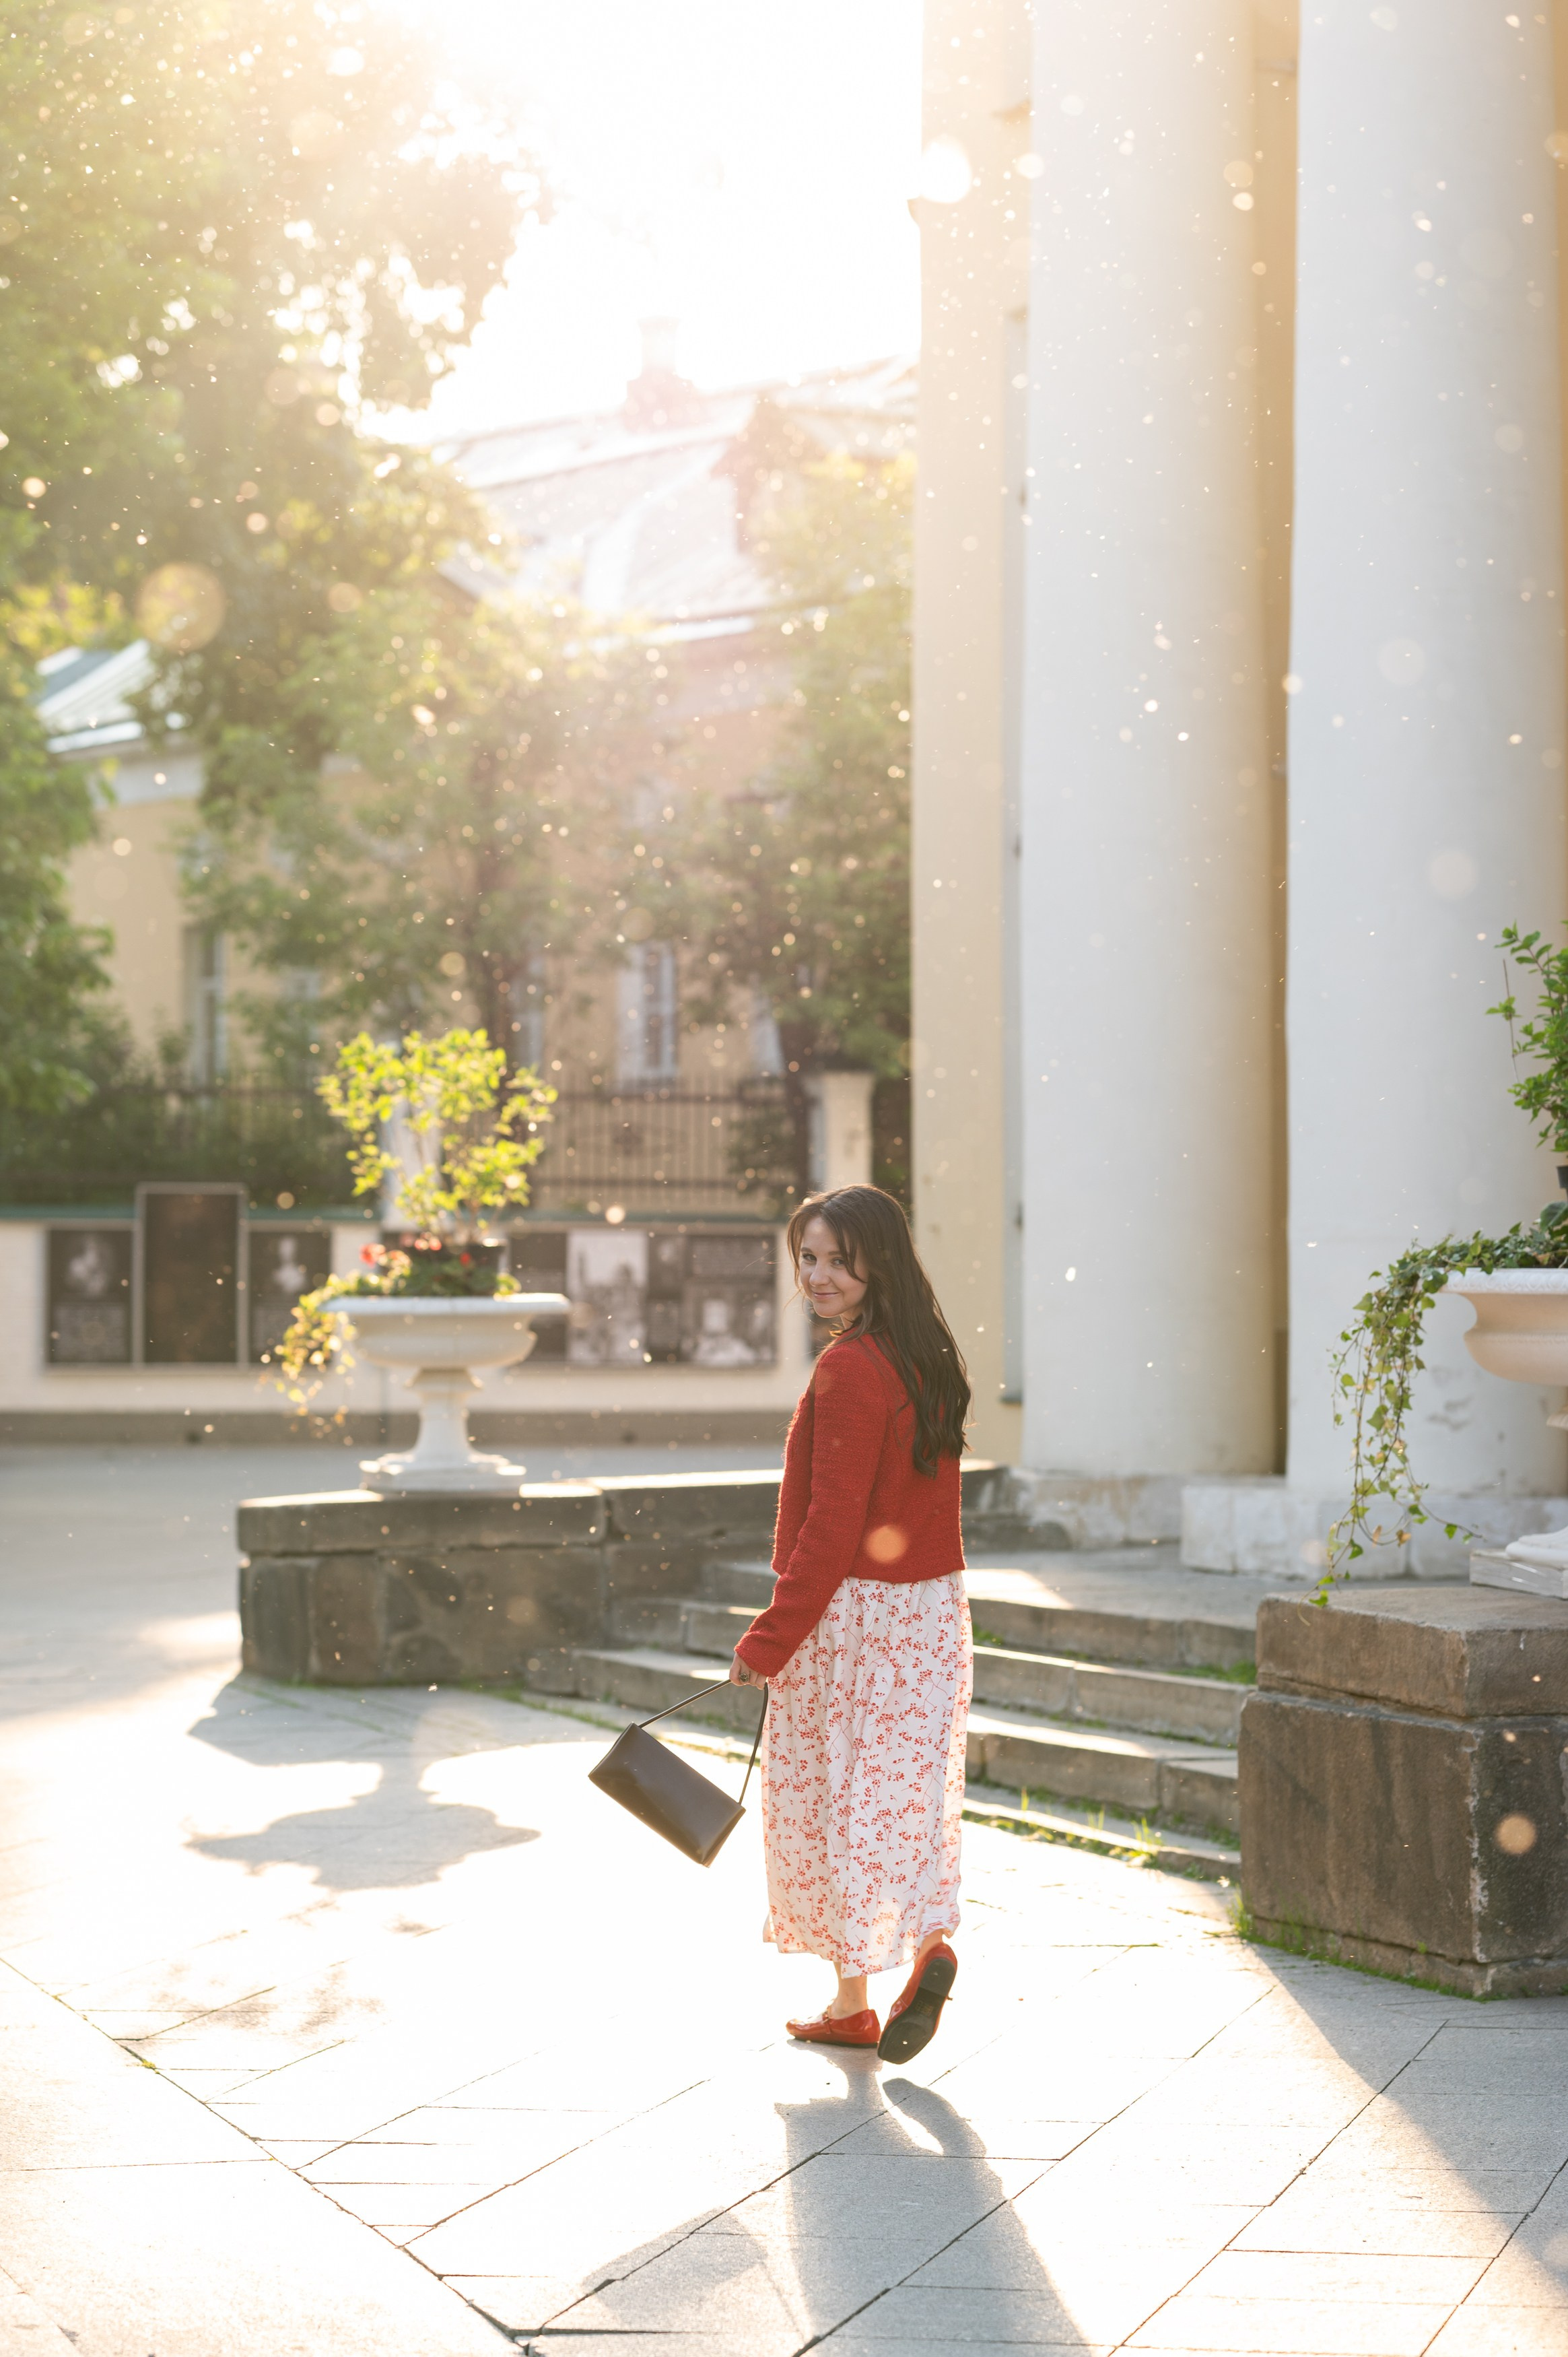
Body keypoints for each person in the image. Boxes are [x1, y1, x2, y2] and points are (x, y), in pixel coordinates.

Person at [729, 1183, 972, 2063]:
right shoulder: (925, 1355)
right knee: (902, 1798)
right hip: (931, 1614)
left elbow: (832, 1525)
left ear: (878, 1259)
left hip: (855, 1620)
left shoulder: (847, 1367)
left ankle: (867, 1988)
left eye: (838, 1258)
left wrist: (769, 1639)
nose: (819, 1275)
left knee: (837, 1803)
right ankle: (898, 1967)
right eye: (807, 1257)